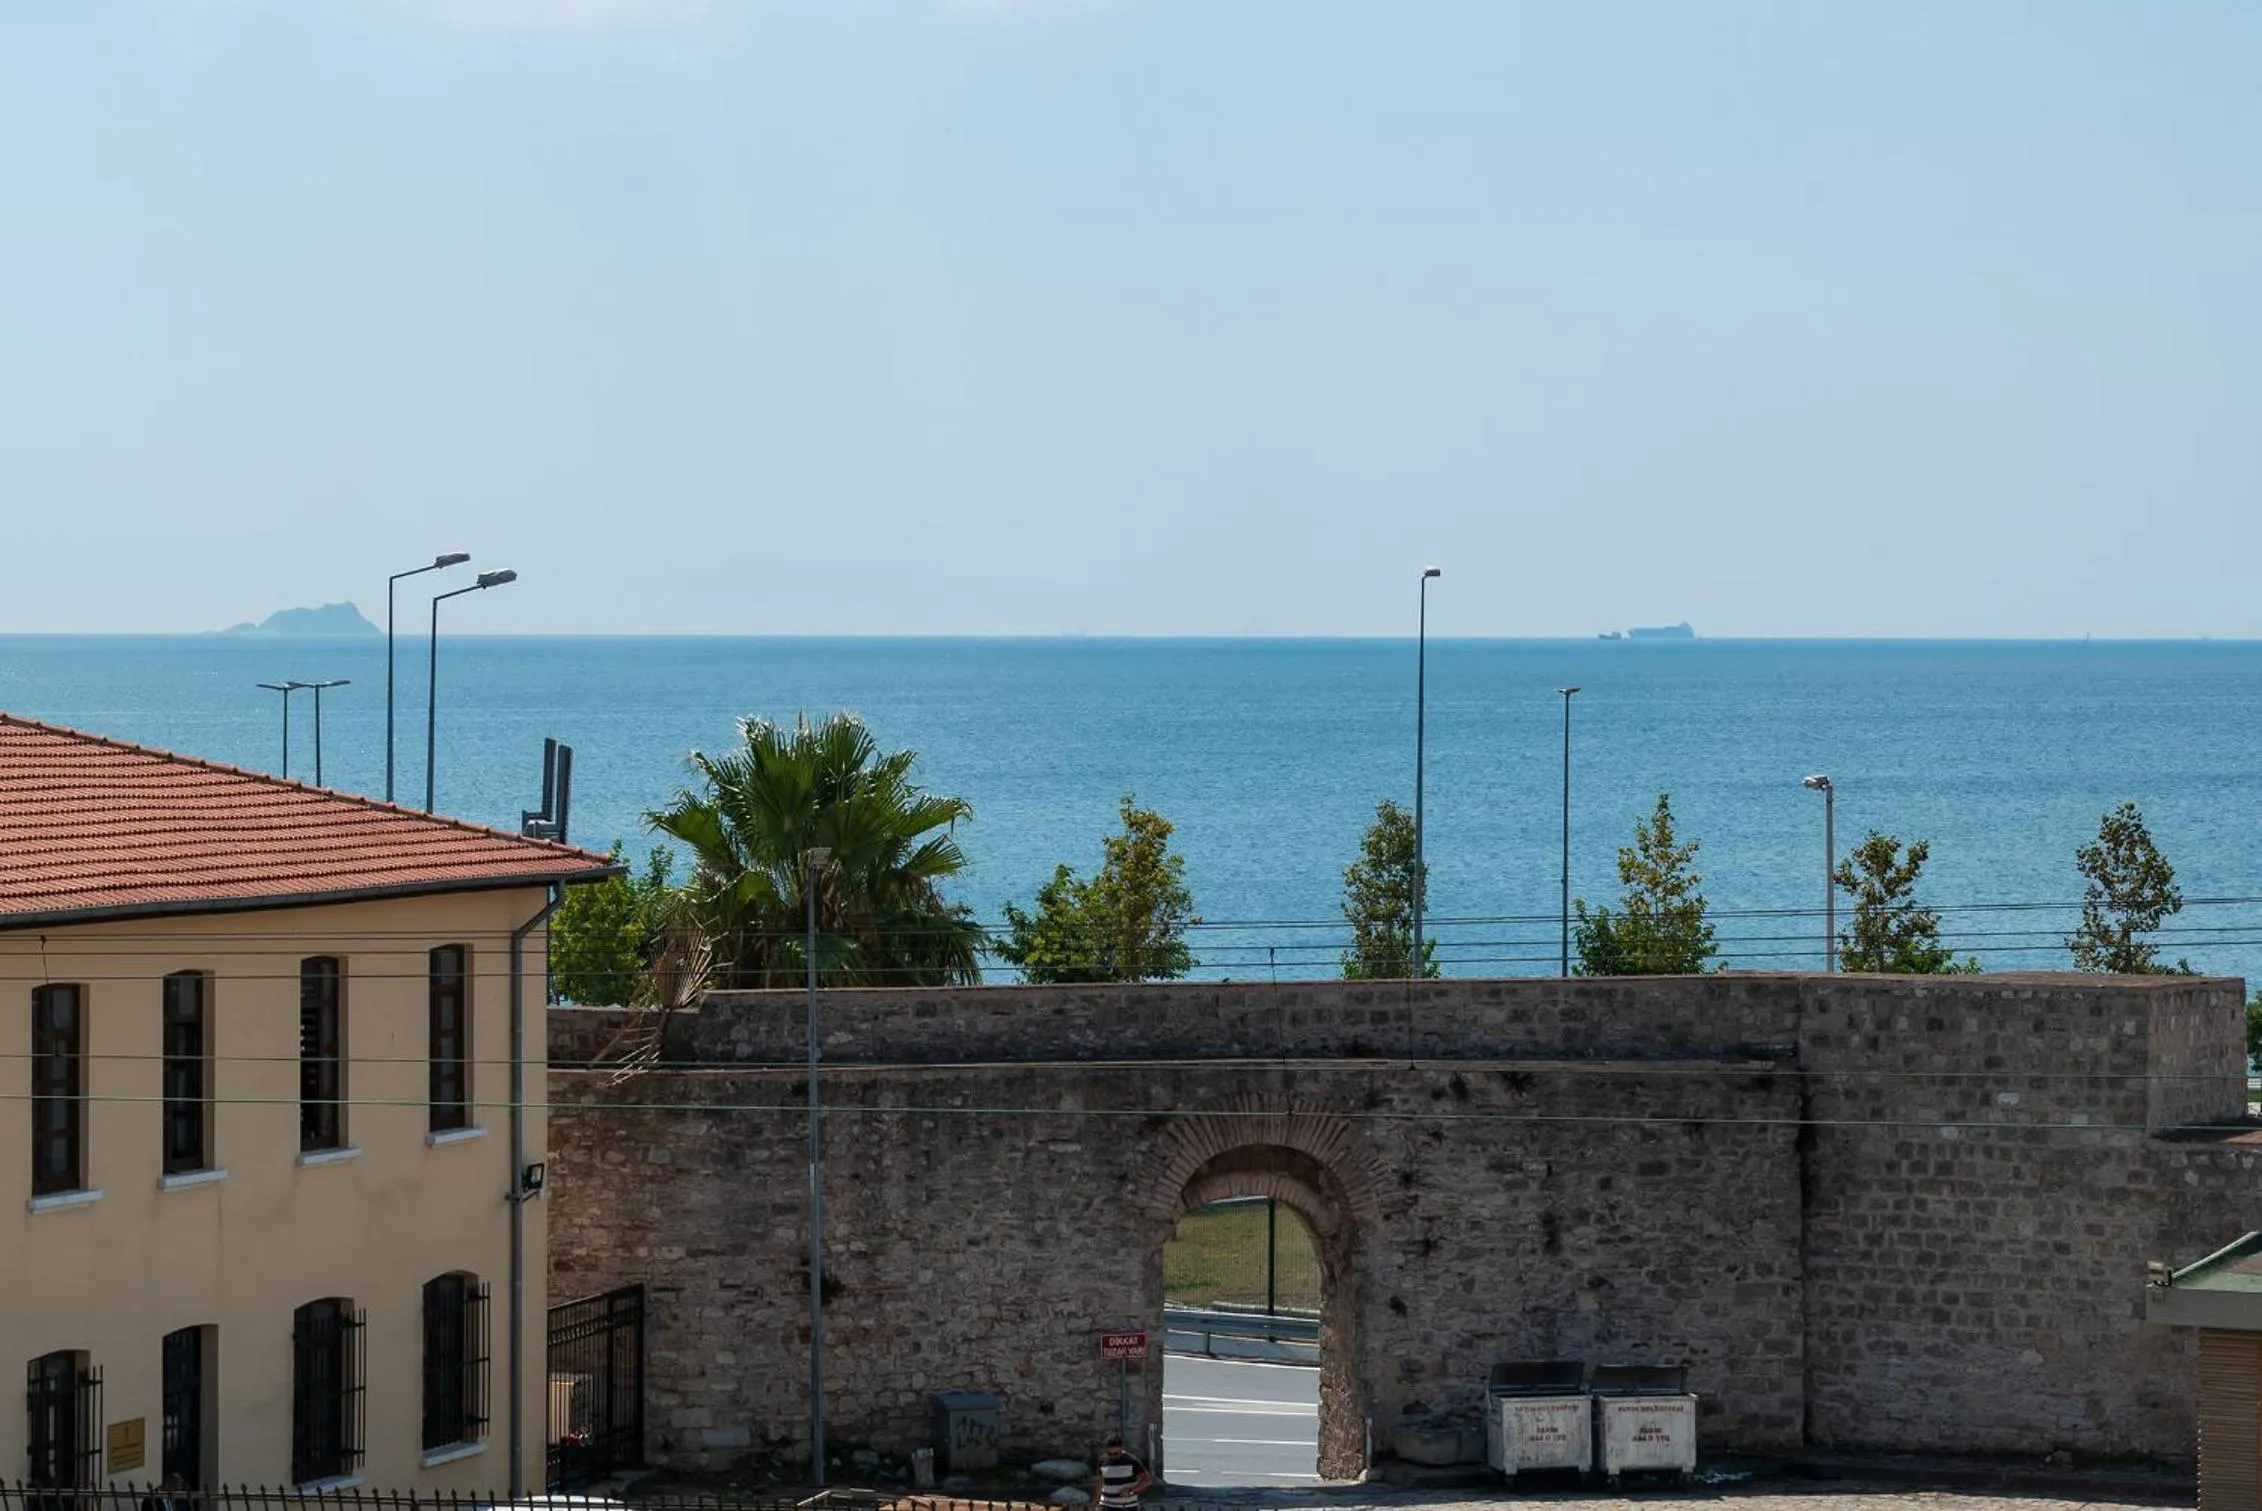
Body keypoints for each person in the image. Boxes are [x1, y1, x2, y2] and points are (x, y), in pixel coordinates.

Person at [1093, 1433, 1152, 1510]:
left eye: (1115, 1454)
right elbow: (1100, 1481)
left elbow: (1147, 1480)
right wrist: (1096, 1500)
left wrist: (1131, 1490)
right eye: (1109, 1454)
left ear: (1121, 1449)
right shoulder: (1102, 1460)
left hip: (1126, 1506)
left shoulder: (1131, 1461)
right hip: (1106, 1505)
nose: (1112, 1456)